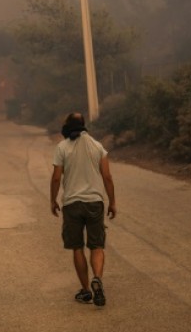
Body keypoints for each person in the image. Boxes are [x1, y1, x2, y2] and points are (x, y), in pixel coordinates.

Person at [49, 112, 117, 307]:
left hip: (72, 204)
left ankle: (86, 290)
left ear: (67, 126)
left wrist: (53, 200)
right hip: (95, 202)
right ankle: (98, 278)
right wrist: (112, 202)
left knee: (77, 247)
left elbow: (55, 178)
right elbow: (108, 177)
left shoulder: (62, 147)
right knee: (97, 246)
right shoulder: (98, 147)